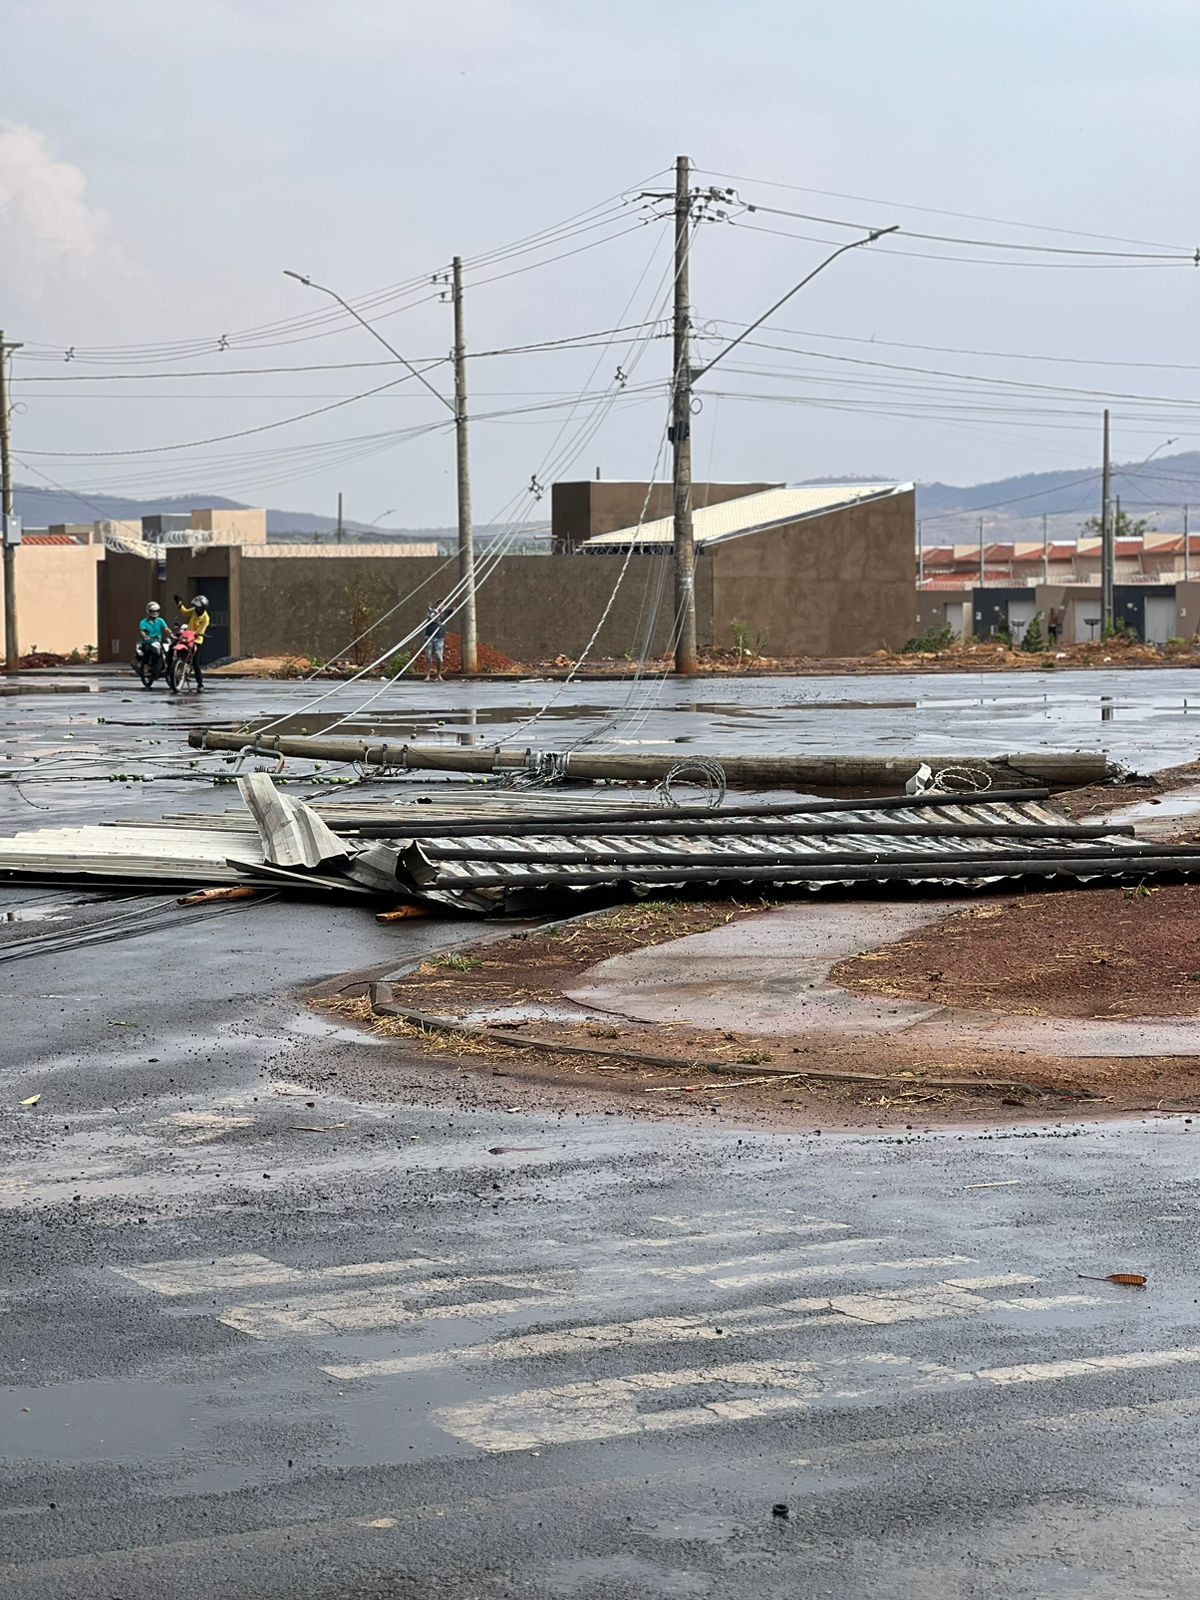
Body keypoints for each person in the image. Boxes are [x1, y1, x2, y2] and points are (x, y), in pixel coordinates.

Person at [173, 592, 211, 689]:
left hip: (196, 640)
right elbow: (184, 612)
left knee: (195, 662)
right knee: (172, 646)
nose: (196, 609)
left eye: (198, 607)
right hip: (187, 636)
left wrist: (197, 633)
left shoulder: (206, 618)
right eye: (196, 607)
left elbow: (202, 629)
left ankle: (200, 684)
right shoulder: (193, 611)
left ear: (203, 608)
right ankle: (170, 668)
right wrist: (179, 603)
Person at [136, 601, 171, 674]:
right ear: (148, 611)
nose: (155, 613)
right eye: (153, 611)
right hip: (148, 641)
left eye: (157, 611)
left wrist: (171, 633)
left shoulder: (160, 620)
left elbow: (166, 629)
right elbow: (142, 631)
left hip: (158, 641)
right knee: (148, 650)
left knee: (167, 650)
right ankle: (146, 665)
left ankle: (164, 667)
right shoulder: (143, 622)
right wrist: (145, 636)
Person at [422, 602, 446, 682]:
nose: (440, 606)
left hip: (439, 638)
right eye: (439, 604)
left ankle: (438, 675)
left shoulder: (446, 613)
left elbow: (457, 606)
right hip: (429, 637)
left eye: (442, 604)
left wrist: (459, 598)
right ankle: (427, 676)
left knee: (439, 658)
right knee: (428, 657)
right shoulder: (432, 612)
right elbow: (428, 617)